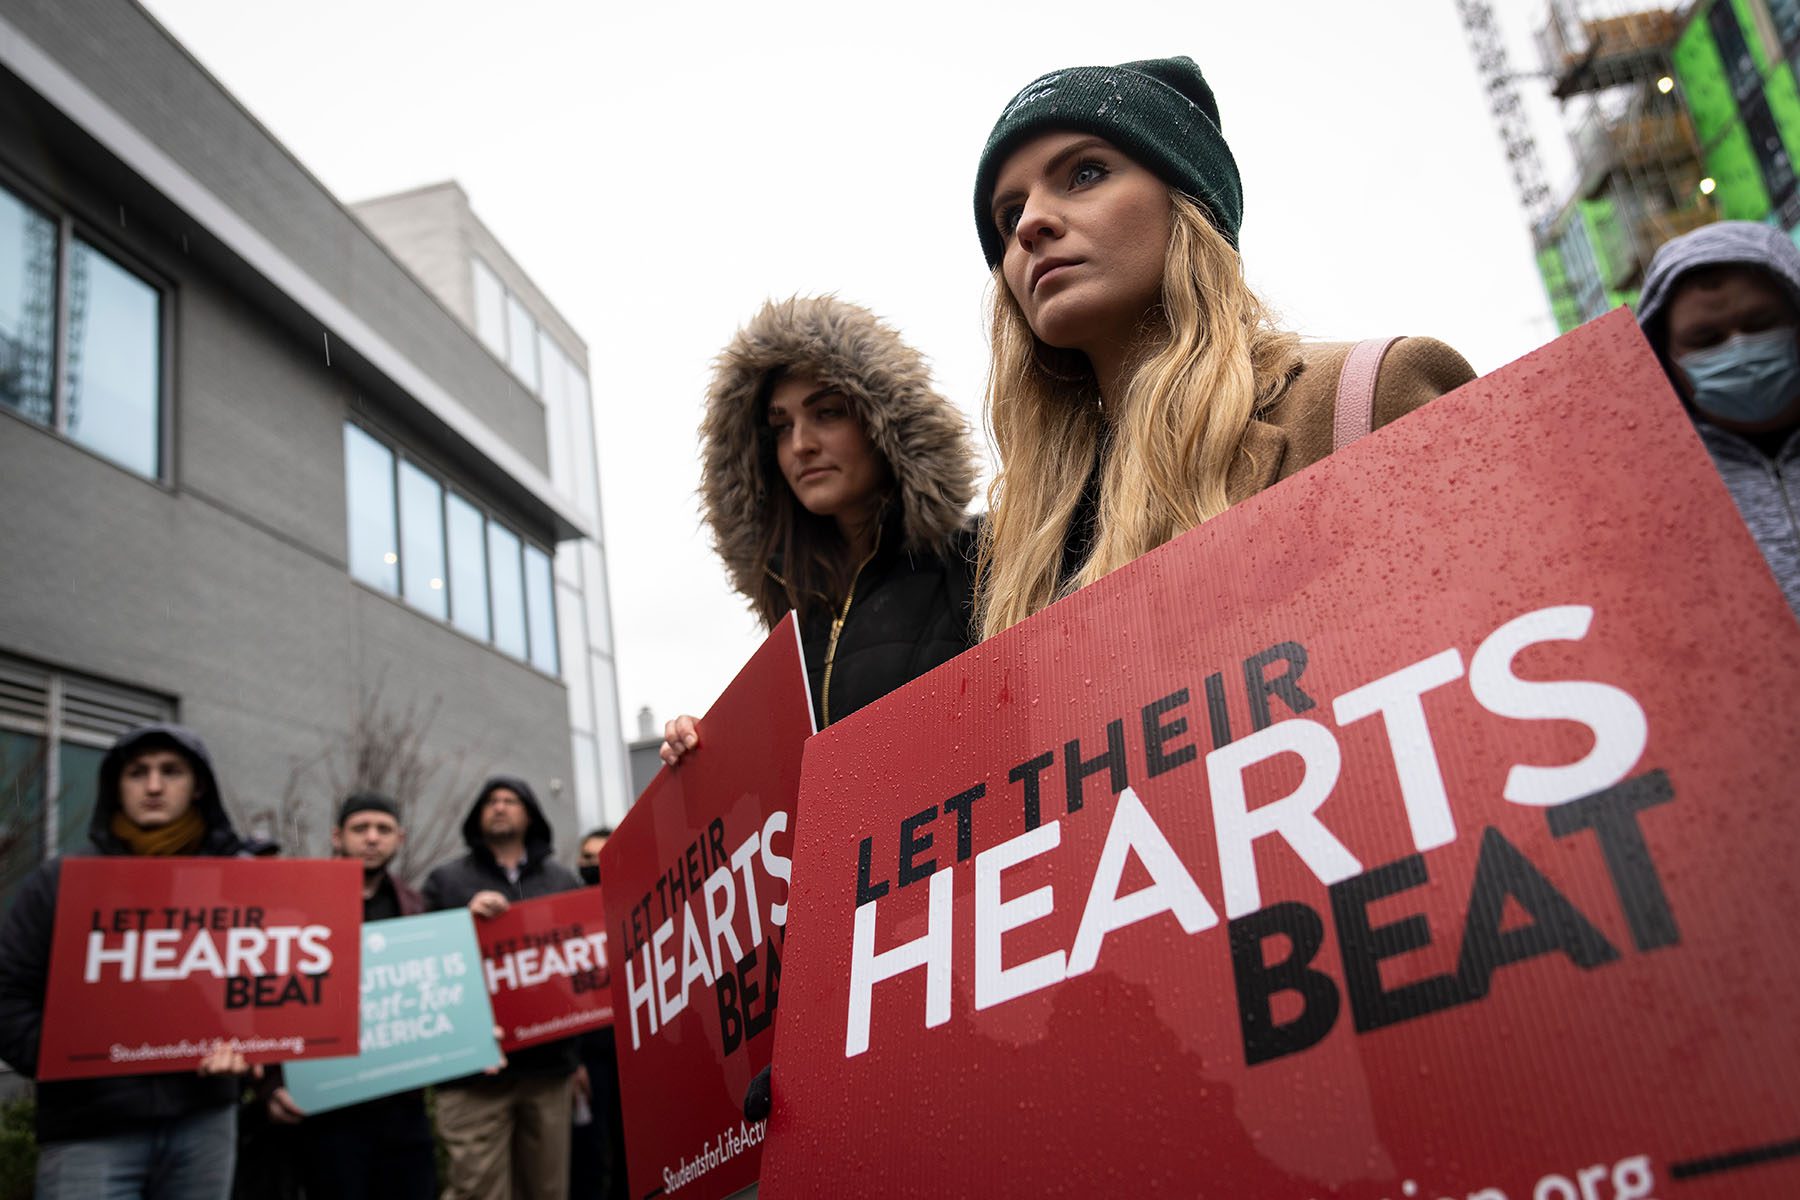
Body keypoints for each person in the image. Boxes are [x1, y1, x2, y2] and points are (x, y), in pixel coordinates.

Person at [970, 56, 1476, 636]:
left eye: (1085, 173)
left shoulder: (1372, 394)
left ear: (1188, 203)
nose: (1032, 221)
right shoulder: (1020, 543)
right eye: (1008, 217)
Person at [660, 294, 981, 764]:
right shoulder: (793, 617)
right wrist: (709, 752)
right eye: (780, 427)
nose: (801, 445)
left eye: (827, 412)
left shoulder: (978, 558)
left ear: (882, 420)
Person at [0, 724, 254, 1199]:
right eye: (138, 773)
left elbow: (264, 992)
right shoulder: (59, 883)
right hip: (90, 1128)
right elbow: (9, 996)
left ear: (198, 785)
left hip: (204, 1124)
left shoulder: (237, 886)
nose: (154, 786)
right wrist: (74, 1058)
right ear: (117, 784)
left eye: (170, 771)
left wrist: (247, 1047)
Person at [261, 792, 434, 1200]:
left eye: (383, 829)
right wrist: (271, 1083)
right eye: (361, 829)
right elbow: (270, 996)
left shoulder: (418, 909)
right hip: (328, 1108)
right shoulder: (297, 902)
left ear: (400, 839)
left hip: (402, 1108)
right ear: (337, 836)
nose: (372, 838)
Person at [422, 776, 585, 1200]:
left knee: (548, 1189)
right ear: (477, 814)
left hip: (548, 1070)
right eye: (490, 801)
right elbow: (422, 959)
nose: (499, 807)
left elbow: (582, 970)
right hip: (473, 1074)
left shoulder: (563, 881)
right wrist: (463, 918)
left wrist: (577, 1056)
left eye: (510, 800)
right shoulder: (446, 881)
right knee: (476, 1190)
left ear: (530, 813)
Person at [1634, 220, 1800, 618]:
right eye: (1706, 340)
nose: (1739, 346)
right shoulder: (1646, 493)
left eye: (1760, 325)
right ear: (1664, 356)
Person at [569, 827, 627, 1200]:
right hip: (590, 1056)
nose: (594, 865)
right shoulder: (568, 916)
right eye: (588, 858)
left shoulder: (634, 903)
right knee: (588, 1151)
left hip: (633, 1051)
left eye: (601, 856)